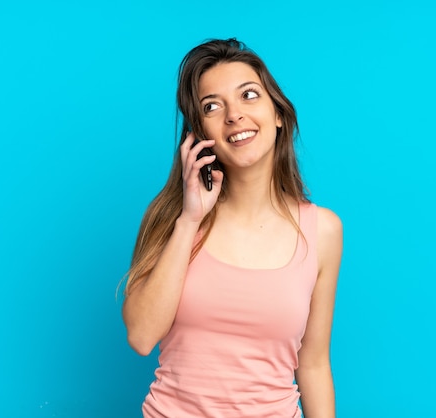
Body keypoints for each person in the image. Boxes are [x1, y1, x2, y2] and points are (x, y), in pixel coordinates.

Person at [122, 38, 343, 418]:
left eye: (249, 95)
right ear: (198, 133)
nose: (233, 115)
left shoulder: (322, 230)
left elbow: (314, 364)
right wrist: (189, 220)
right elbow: (141, 337)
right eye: (212, 106)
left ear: (278, 113)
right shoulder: (172, 217)